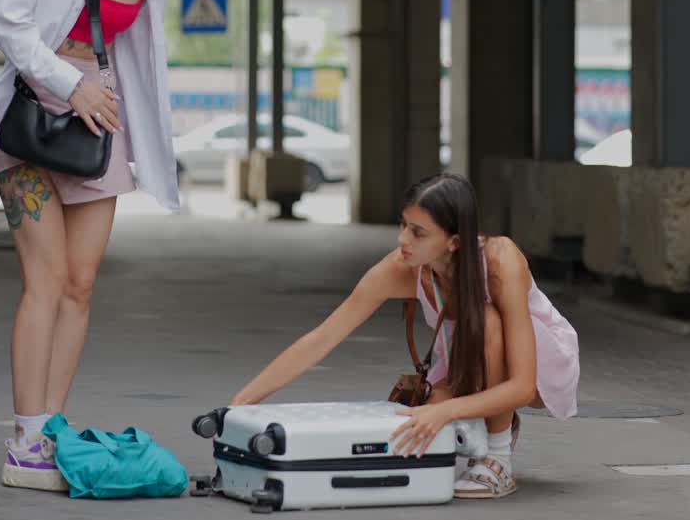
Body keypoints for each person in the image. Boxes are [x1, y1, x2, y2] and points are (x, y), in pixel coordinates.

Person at [0, 0, 211, 490]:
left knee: (80, 286)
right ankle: (24, 440)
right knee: (46, 280)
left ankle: (51, 427)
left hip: (100, 129)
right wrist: (68, 82)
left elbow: (145, 63)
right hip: (33, 121)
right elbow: (8, 20)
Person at [230, 171, 579, 499]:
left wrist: (447, 413)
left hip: (541, 363)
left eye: (418, 232)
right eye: (403, 225)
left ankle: (498, 459)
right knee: (414, 428)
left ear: (454, 241)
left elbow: (521, 384)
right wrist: (240, 404)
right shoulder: (400, 268)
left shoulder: (501, 260)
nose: (402, 240)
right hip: (463, 359)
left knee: (485, 323)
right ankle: (484, 421)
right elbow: (322, 338)